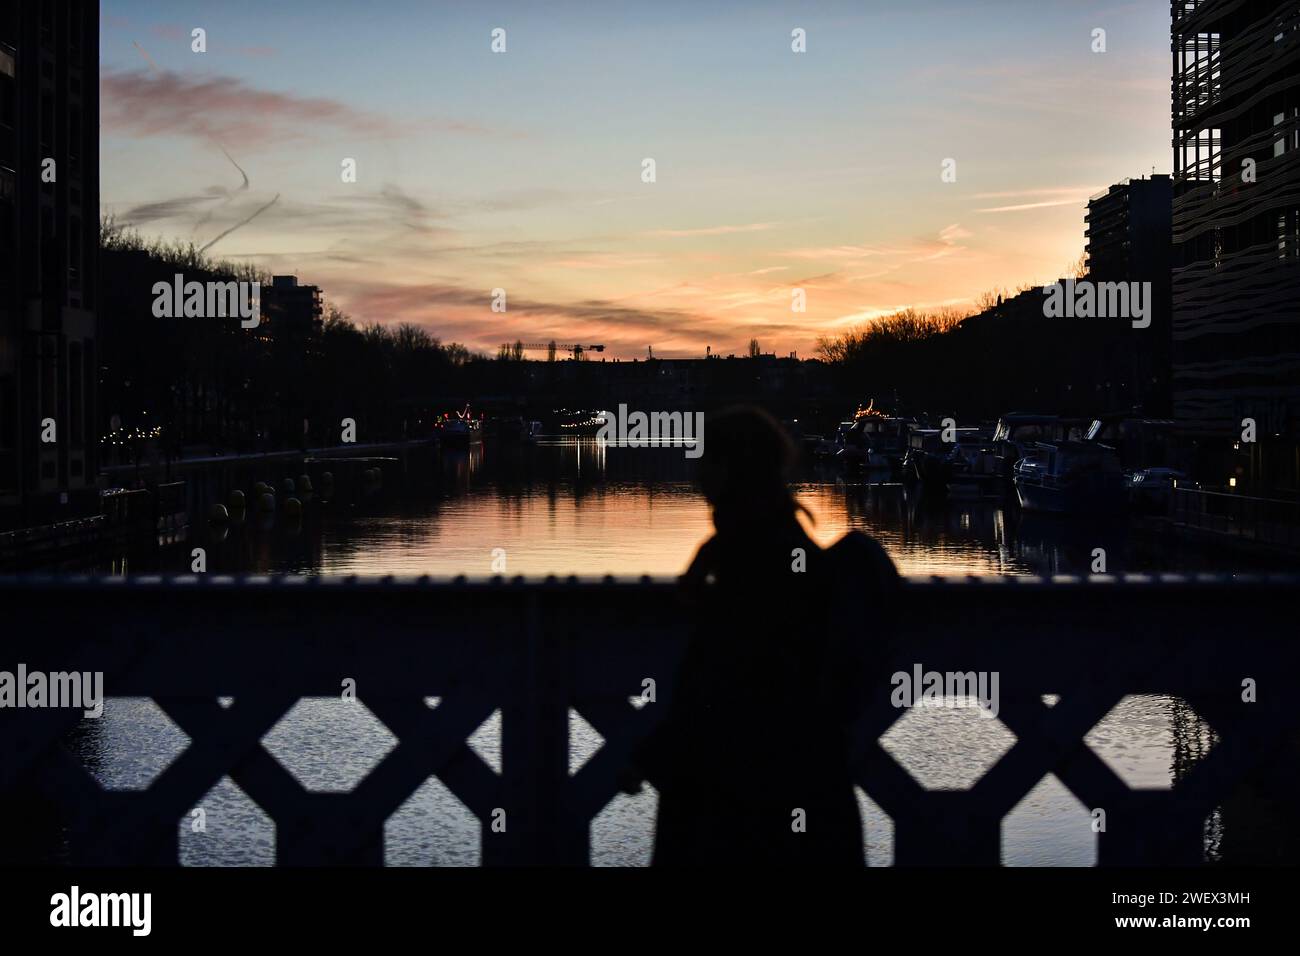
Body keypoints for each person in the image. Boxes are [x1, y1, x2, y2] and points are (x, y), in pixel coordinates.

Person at [622, 405, 899, 865]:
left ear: (731, 470)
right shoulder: (779, 545)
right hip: (803, 787)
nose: (696, 475)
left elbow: (732, 680)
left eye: (705, 461)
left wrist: (653, 756)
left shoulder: (754, 555)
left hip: (745, 798)